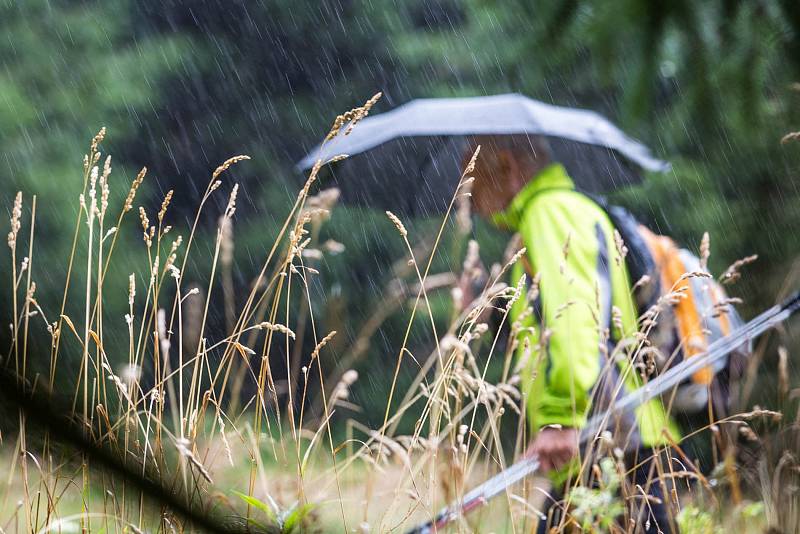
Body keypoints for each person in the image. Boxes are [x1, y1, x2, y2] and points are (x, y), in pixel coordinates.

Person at [464, 135, 681, 533]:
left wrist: (561, 419)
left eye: (472, 174)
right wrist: (485, 306)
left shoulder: (551, 213)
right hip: (610, 438)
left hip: (608, 436)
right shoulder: (553, 216)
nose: (468, 192)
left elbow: (577, 316)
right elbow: (548, 320)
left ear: (509, 167)